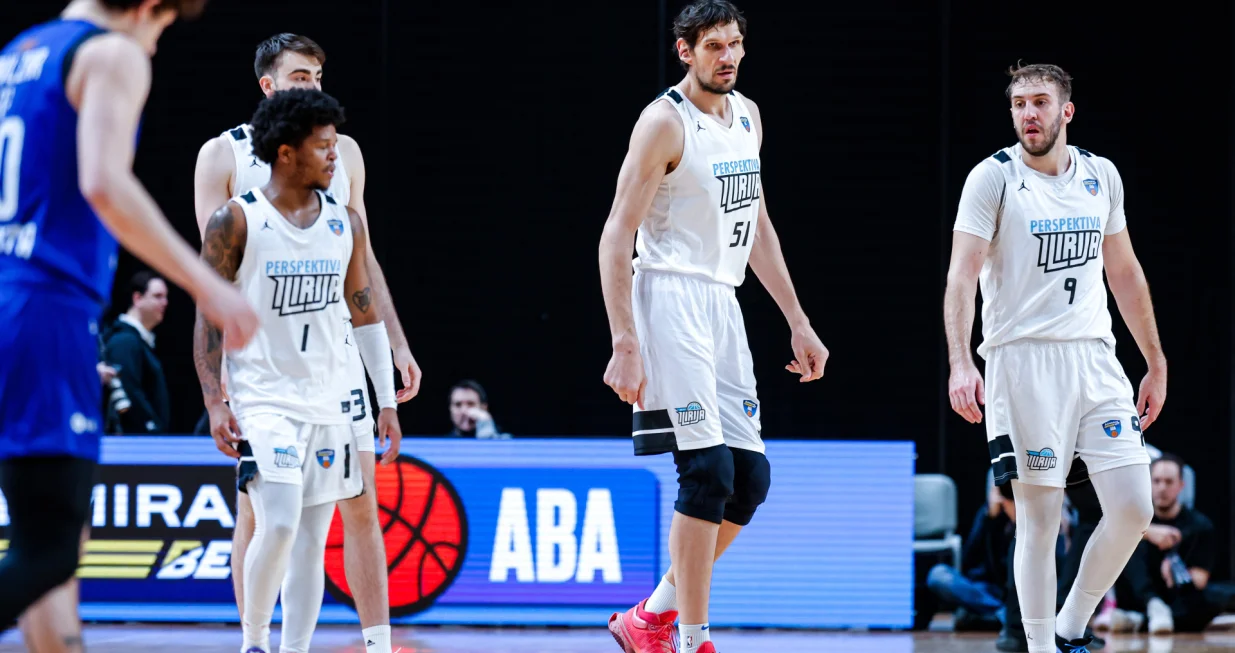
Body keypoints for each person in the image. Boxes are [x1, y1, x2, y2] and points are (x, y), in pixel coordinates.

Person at [0, 0, 258, 642]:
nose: (153, 48)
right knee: (54, 550)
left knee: (44, 545)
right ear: (148, 7)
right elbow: (105, 184)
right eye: (162, 29)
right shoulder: (109, 54)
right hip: (45, 310)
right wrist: (209, 286)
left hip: (9, 293)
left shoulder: (19, 53)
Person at [598, 3, 828, 652]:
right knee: (706, 473)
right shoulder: (663, 122)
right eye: (712, 46)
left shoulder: (748, 115)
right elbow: (615, 237)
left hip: (721, 304)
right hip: (667, 299)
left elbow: (753, 224)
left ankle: (649, 614)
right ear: (684, 51)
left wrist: (797, 320)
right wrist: (624, 339)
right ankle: (691, 634)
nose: (726, 56)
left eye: (734, 45)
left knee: (749, 478)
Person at [192, 33, 419, 653]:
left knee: (330, 521)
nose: (313, 84)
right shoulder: (227, 170)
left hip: (332, 375)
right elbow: (214, 291)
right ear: (268, 85)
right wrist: (216, 396)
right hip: (262, 378)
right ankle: (254, 639)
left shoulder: (342, 168)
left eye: (318, 74)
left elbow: (362, 282)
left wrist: (390, 372)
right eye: (300, 75)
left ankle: (359, 642)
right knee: (270, 518)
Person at [944, 62, 1166, 653]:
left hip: (1095, 359)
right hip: (1022, 363)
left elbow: (1124, 272)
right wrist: (961, 362)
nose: (1028, 114)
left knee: (1133, 508)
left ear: (1066, 111)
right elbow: (961, 276)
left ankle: (1070, 626)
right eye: (1018, 104)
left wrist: (1155, 358)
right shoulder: (992, 179)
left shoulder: (1101, 175)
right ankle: (1042, 646)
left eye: (1040, 102)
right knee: (1039, 522)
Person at [102, 270, 171, 434]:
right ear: (137, 298)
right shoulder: (125, 342)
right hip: (134, 450)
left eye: (166, 297)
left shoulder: (137, 341)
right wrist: (151, 431)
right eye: (157, 296)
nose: (165, 302)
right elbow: (129, 396)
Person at [446, 379, 512, 439]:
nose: (464, 411)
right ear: (450, 409)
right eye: (458, 405)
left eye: (470, 404)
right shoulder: (442, 446)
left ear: (484, 408)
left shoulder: (505, 441)